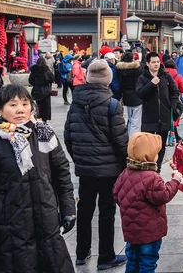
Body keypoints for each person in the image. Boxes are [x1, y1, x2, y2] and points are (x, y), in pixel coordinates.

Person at [0, 85, 76, 272]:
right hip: (9, 235)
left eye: (25, 104)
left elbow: (62, 173)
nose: (20, 109)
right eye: (13, 105)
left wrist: (68, 208)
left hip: (47, 228)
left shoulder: (44, 134)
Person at [64, 59, 128, 269]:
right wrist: (126, 160)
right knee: (107, 211)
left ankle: (82, 252)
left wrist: (78, 157)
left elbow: (68, 135)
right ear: (108, 79)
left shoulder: (76, 101)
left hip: (85, 168)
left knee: (85, 208)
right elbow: (120, 139)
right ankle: (106, 256)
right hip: (109, 168)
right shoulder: (112, 104)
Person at [113, 132, 183, 273]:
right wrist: (175, 180)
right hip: (150, 231)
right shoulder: (151, 178)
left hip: (131, 230)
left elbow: (116, 194)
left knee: (132, 260)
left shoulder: (125, 173)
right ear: (148, 155)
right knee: (148, 263)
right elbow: (164, 195)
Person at [136, 52, 180, 173]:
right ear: (148, 64)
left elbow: (175, 91)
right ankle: (148, 169)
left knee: (161, 146)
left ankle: (157, 169)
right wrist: (151, 84)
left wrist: (172, 105)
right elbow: (140, 94)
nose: (156, 64)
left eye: (157, 62)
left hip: (164, 117)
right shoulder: (142, 78)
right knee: (148, 146)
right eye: (153, 62)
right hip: (149, 117)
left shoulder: (166, 76)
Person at [117, 51, 143, 137]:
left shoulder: (119, 69)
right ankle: (133, 139)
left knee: (129, 118)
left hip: (126, 96)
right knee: (136, 120)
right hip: (137, 96)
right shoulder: (137, 69)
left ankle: (128, 136)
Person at [164, 59, 183, 144]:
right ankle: (174, 136)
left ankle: (175, 136)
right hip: (175, 100)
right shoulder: (178, 76)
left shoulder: (162, 75)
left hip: (163, 99)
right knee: (174, 117)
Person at [28, 57, 55, 123]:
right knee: (46, 106)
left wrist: (36, 84)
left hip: (37, 90)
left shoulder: (34, 71)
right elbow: (52, 78)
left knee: (38, 105)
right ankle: (44, 120)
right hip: (46, 91)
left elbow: (30, 80)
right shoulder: (46, 70)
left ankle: (38, 118)